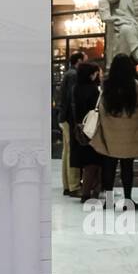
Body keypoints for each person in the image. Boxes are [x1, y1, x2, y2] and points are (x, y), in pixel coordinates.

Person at [91, 53, 138, 211]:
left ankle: (108, 200)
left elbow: (102, 106)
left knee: (109, 166)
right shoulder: (136, 86)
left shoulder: (107, 85)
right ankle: (128, 199)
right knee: (127, 167)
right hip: (131, 132)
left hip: (110, 131)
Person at [69, 62, 105, 203]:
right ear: (91, 74)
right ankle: (91, 192)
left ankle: (86, 191)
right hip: (92, 129)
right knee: (94, 163)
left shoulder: (75, 88)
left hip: (80, 129)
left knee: (86, 163)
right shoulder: (93, 90)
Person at [57, 51, 85, 197]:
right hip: (70, 119)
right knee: (72, 152)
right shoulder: (74, 75)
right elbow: (72, 99)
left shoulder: (68, 74)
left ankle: (67, 185)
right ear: (79, 61)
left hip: (64, 118)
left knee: (66, 152)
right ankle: (73, 186)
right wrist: (76, 120)